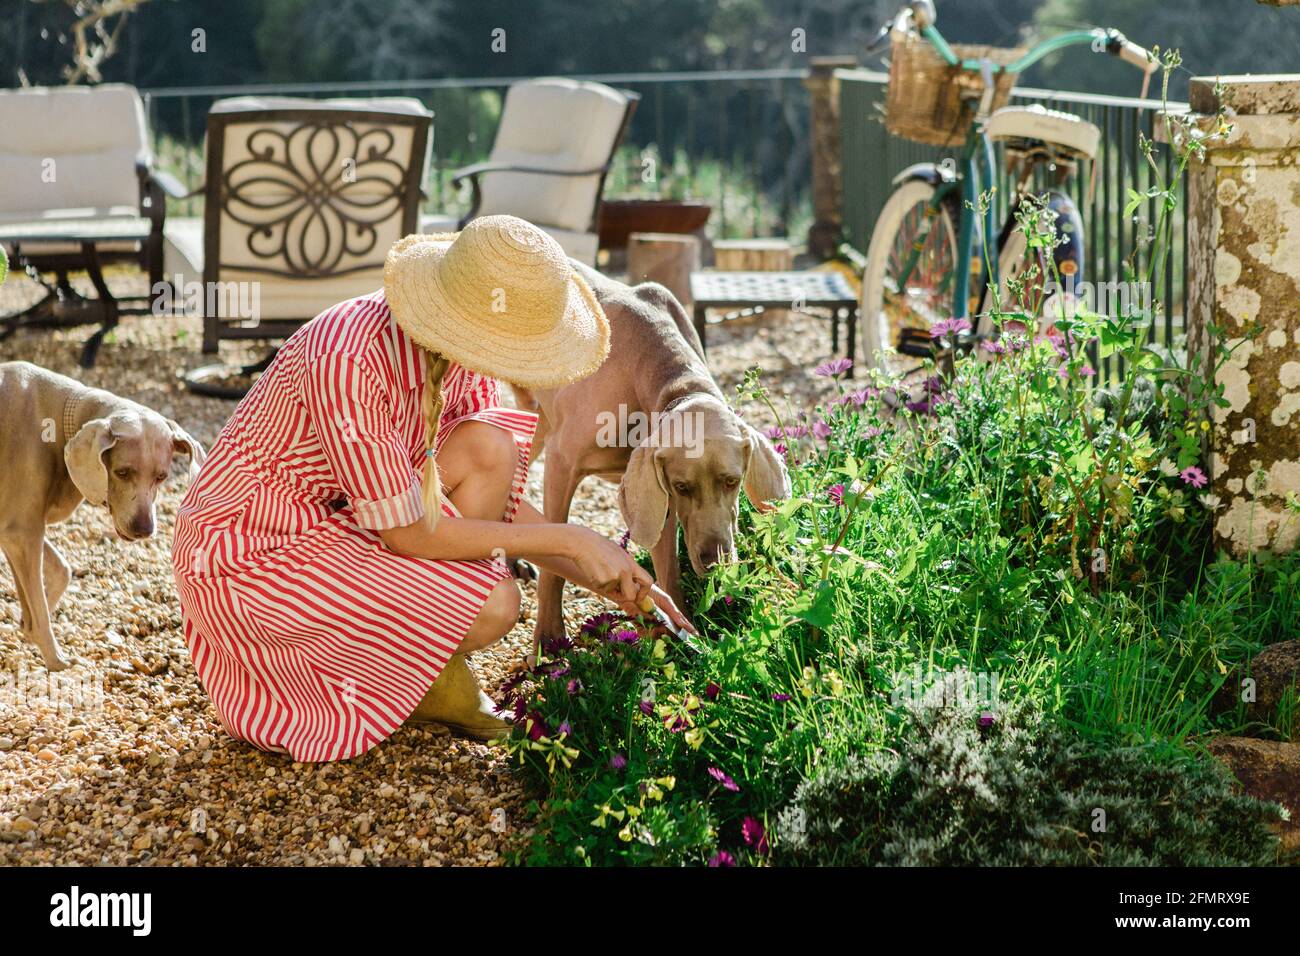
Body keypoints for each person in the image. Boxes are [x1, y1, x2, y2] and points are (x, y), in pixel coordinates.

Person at [171, 215, 691, 762]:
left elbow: (497, 500)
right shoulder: (349, 358)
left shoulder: (458, 348)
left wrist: (605, 576)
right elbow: (411, 533)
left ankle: (415, 654)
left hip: (340, 519)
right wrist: (570, 539)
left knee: (490, 447)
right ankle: (418, 673)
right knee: (493, 604)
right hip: (250, 558)